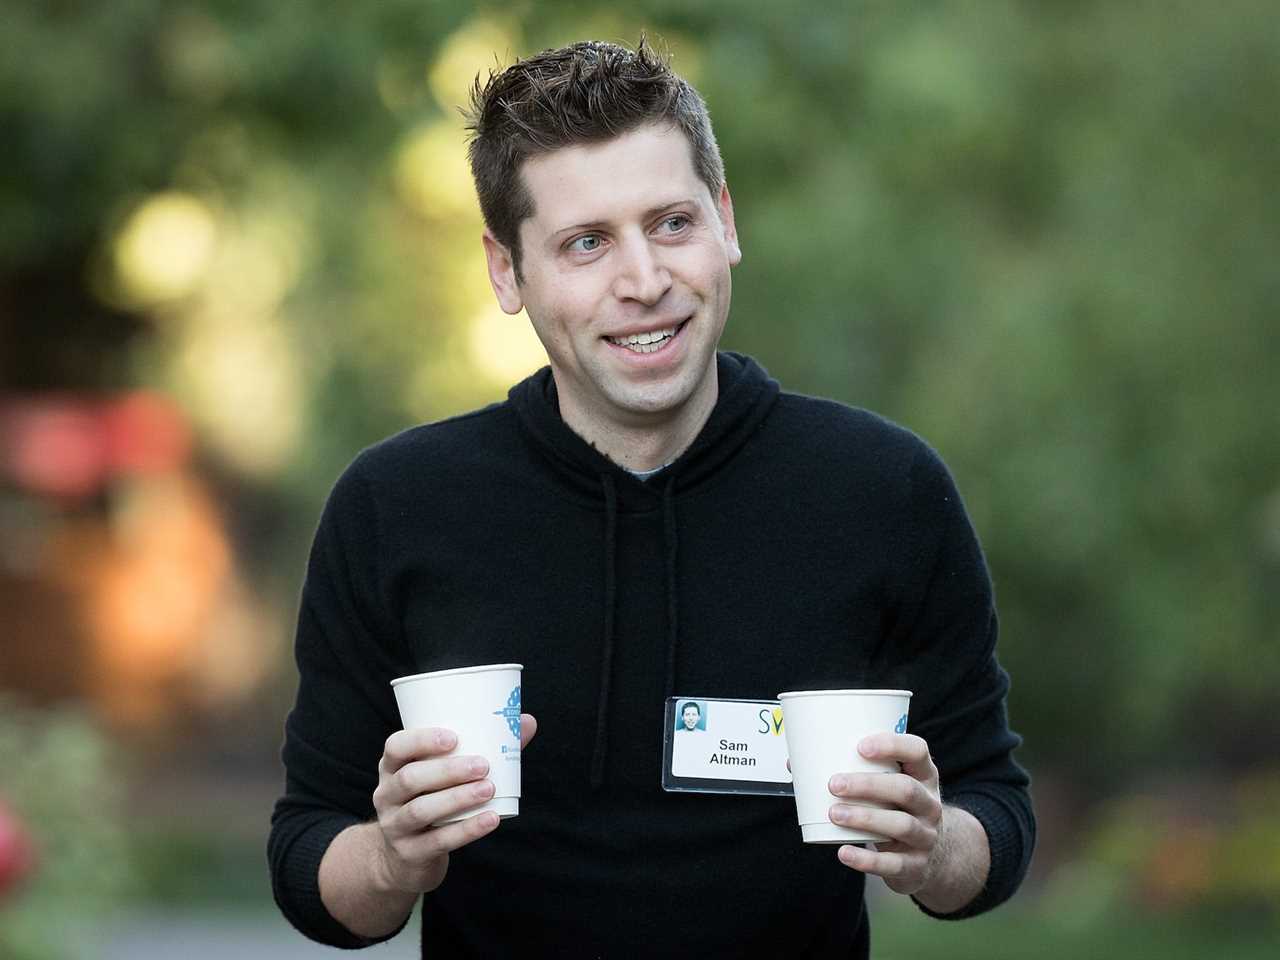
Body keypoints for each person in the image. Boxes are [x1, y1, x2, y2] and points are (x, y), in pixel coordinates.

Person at [268, 38, 1034, 958]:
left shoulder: (884, 490)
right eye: (586, 244)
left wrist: (930, 846)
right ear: (507, 271)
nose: (644, 281)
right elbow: (310, 856)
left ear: (726, 222)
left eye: (672, 223)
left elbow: (994, 814)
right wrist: (392, 858)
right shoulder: (398, 506)